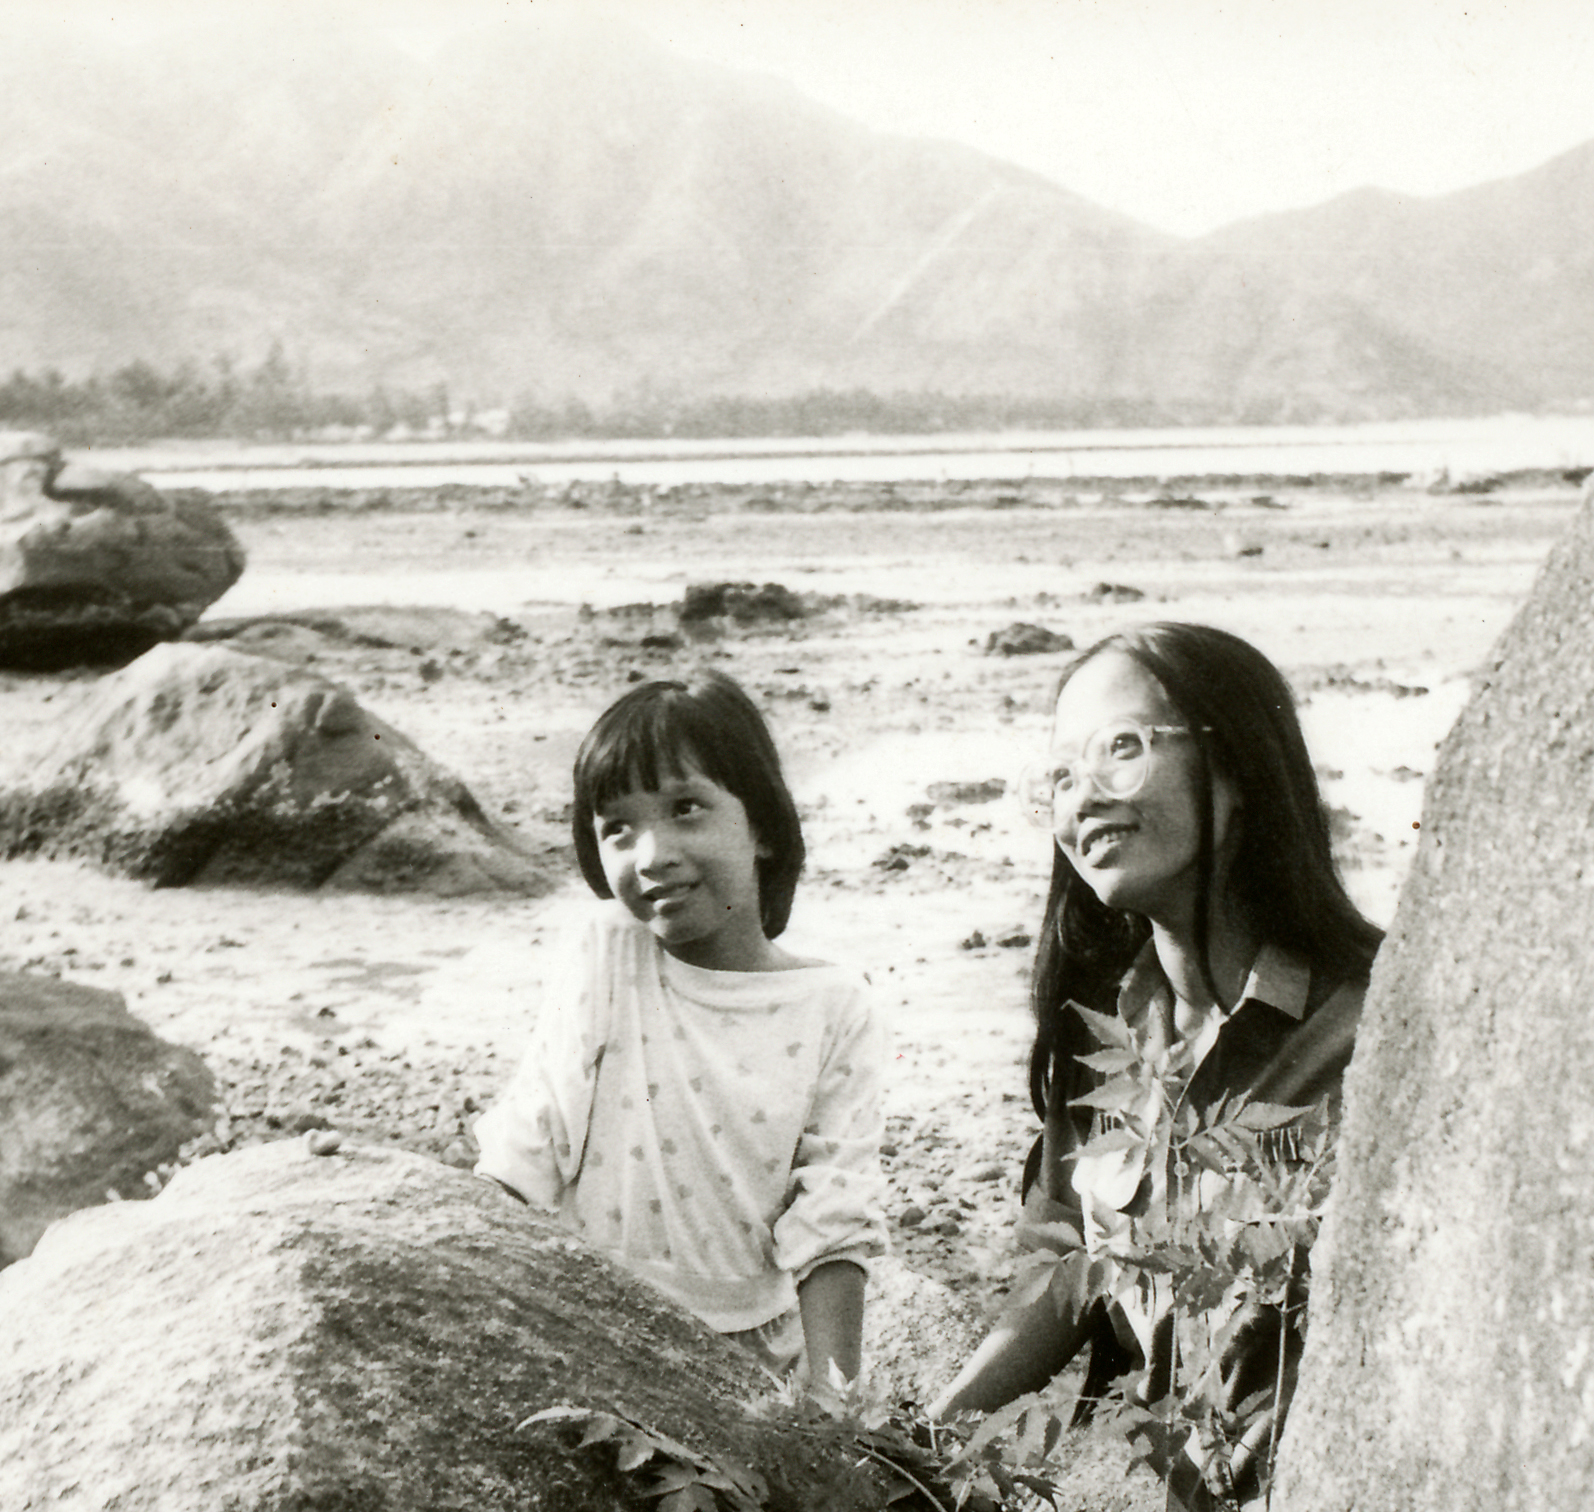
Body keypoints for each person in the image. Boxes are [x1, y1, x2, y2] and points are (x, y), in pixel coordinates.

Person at [929, 622, 1382, 1508]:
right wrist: (918, 1447)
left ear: (1239, 768)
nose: (1084, 796)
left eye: (1123, 749)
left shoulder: (1368, 1034)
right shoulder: (1100, 1042)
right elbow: (1059, 1268)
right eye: (1062, 774)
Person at [474, 669, 888, 1389]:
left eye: (686, 808)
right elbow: (529, 1146)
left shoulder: (834, 1004)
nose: (652, 854)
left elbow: (833, 1216)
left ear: (762, 827)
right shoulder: (608, 951)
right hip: (592, 1330)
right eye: (618, 827)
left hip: (754, 1359)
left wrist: (836, 1408)